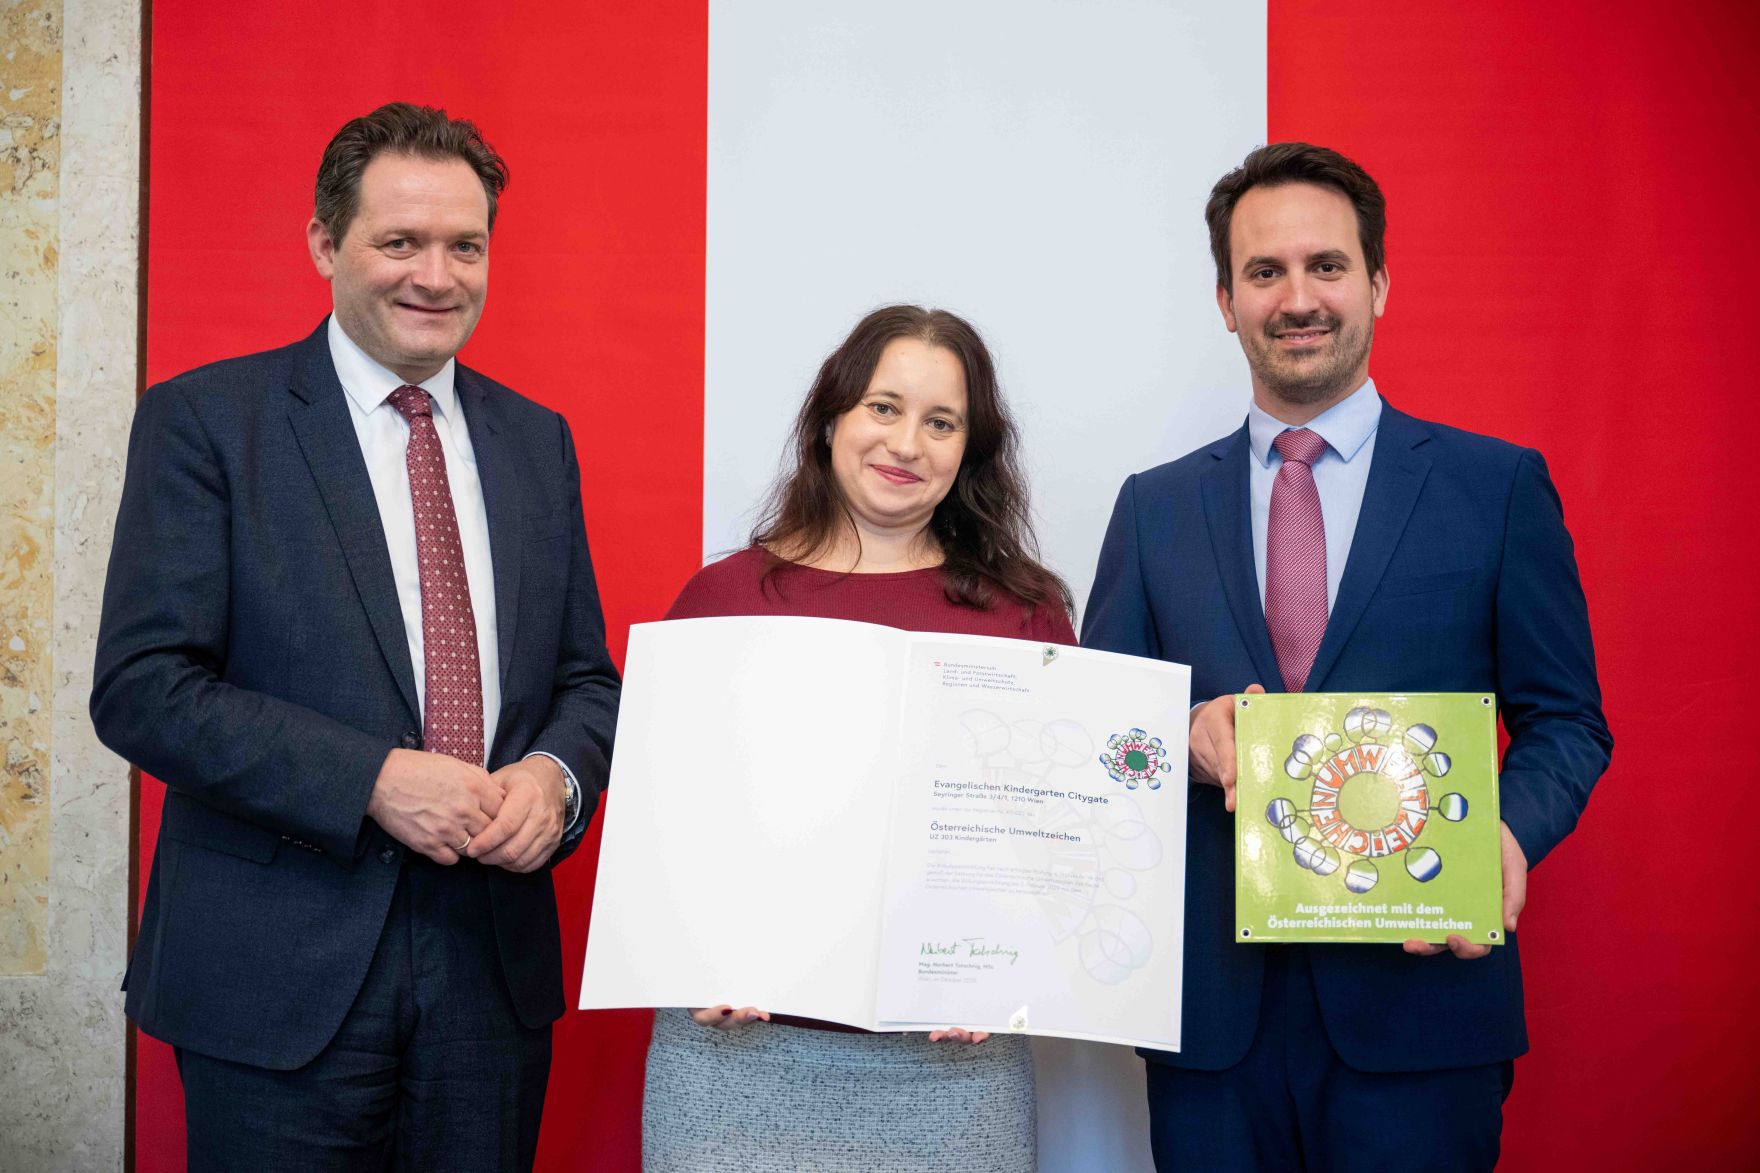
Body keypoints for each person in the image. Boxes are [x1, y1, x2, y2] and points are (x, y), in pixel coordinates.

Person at [90, 103, 620, 1170]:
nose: (437, 274)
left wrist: (556, 781)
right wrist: (373, 777)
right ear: (325, 245)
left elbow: (583, 680)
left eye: (464, 245)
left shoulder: (534, 441)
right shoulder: (207, 421)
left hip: (488, 974)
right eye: (400, 242)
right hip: (273, 977)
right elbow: (144, 686)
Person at [1083, 143, 1612, 1170]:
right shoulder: (1152, 510)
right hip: (1209, 1029)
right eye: (1263, 272)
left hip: (1420, 1011)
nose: (1297, 297)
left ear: (1375, 281)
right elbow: (1097, 739)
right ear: (1225, 301)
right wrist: (1173, 736)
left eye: (1325, 266)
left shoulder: (1493, 488)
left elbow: (1565, 721)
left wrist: (1501, 835)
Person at [642, 305, 1073, 1171]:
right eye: (884, 406)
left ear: (970, 449)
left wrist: (1012, 965)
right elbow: (663, 826)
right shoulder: (721, 601)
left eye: (941, 421)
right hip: (735, 1068)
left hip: (954, 1075)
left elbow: (1057, 843)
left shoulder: (1025, 615)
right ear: (832, 416)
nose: (907, 443)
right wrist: (686, 946)